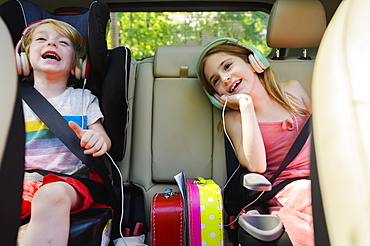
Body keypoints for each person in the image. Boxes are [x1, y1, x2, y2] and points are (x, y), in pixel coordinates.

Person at [197, 38, 313, 246]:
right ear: (217, 97)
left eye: (228, 66)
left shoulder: (294, 90)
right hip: (287, 191)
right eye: (215, 80)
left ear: (254, 61)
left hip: (324, 179)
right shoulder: (234, 119)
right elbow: (256, 165)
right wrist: (245, 104)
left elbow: (325, 137)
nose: (224, 78)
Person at [17, 19, 111, 246]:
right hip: (20, 184)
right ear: (23, 58)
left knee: (51, 195)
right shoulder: (10, 101)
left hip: (69, 184)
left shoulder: (84, 100)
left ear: (77, 65)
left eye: (63, 43)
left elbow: (102, 137)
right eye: (42, 39)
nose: (52, 44)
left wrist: (96, 139)